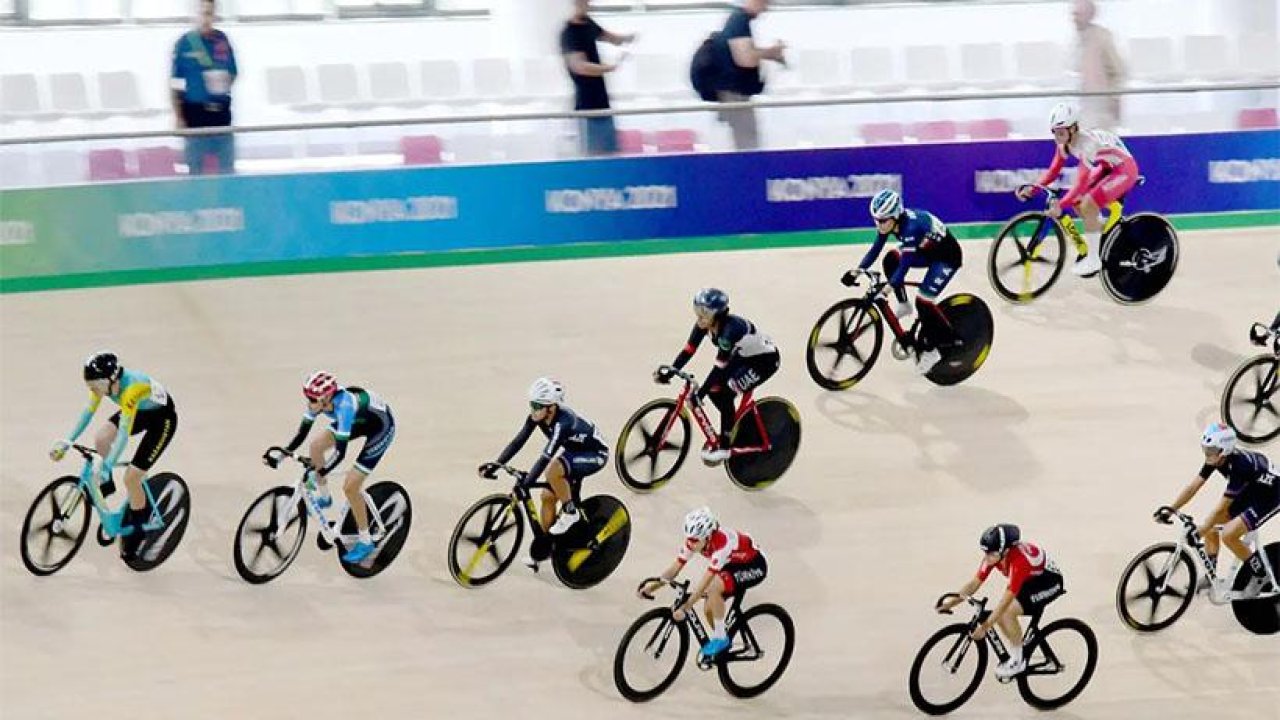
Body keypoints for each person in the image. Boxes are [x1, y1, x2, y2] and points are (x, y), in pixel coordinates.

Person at [49, 352, 178, 561]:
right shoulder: (105, 383)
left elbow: (124, 434)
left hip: (162, 420)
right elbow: (87, 413)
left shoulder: (132, 388)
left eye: (94, 385)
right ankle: (107, 486)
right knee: (101, 439)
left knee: (132, 477)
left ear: (109, 380)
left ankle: (138, 530)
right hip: (140, 411)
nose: (92, 390)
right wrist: (67, 441)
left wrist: (108, 465)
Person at [264, 371, 396, 564]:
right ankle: (325, 498)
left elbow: (340, 454)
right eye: (306, 397)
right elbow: (301, 435)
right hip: (358, 422)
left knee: (350, 486)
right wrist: (280, 457)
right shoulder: (319, 403)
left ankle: (366, 540)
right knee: (315, 447)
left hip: (380, 429)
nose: (308, 403)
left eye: (312, 399)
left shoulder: (344, 408)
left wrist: (320, 471)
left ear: (325, 398)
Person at [479, 378, 609, 568]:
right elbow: (518, 442)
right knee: (547, 497)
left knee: (553, 471)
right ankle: (545, 550)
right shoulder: (538, 416)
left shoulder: (563, 422)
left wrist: (527, 482)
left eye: (537, 405)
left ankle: (571, 512)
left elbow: (546, 458)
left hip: (594, 454)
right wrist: (497, 464)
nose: (533, 409)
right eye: (531, 404)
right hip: (575, 452)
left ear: (551, 407)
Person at [843, 189, 964, 375]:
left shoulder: (911, 228)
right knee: (890, 259)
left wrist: (887, 290)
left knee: (923, 301)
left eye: (882, 220)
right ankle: (904, 304)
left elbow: (904, 267)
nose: (879, 224)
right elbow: (876, 249)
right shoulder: (891, 223)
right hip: (925, 251)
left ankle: (934, 351)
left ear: (895, 217)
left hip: (946, 258)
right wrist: (857, 270)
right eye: (875, 219)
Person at [1155, 423, 1279, 604]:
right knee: (1211, 526)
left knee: (1229, 534)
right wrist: (1172, 508)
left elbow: (1222, 507)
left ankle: (1260, 575)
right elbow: (1193, 487)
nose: (1207, 454)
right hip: (1253, 489)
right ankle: (1210, 574)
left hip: (1271, 495)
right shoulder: (1216, 458)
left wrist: (1201, 531)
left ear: (1224, 451)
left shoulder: (1240, 467)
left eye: (1211, 450)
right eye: (1205, 448)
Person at [1017, 101, 1139, 277]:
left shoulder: (1087, 144)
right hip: (1107, 165)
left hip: (1124, 169)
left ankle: (1094, 260)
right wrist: (1033, 189)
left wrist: (1061, 204)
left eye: (1060, 132)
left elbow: (1081, 183)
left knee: (1088, 202)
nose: (1057, 137)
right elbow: (1053, 171)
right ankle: (1099, 227)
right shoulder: (1064, 143)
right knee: (1078, 201)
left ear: (1073, 129)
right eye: (1054, 132)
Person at [657, 288, 779, 465]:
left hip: (763, 362)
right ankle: (731, 427)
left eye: (704, 313)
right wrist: (672, 369)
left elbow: (719, 368)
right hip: (742, 357)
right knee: (715, 390)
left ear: (717, 315)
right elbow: (689, 350)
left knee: (725, 392)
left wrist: (701, 394)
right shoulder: (705, 324)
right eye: (697, 311)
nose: (699, 318)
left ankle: (725, 448)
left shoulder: (730, 330)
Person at [937, 524, 1065, 680]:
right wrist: (950, 603)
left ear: (1005, 551)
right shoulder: (994, 556)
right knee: (1000, 616)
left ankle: (1018, 661)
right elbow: (974, 584)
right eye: (985, 552)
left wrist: (985, 627)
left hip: (1048, 583)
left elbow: (1006, 600)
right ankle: (1018, 648)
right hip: (1029, 580)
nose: (987, 557)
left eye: (991, 553)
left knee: (1006, 613)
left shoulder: (1019, 562)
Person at [639, 507, 767, 660]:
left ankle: (720, 638)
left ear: (708, 537)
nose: (690, 544)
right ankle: (724, 641)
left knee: (713, 588)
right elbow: (675, 569)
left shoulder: (722, 546)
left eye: (695, 540)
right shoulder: (695, 540)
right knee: (708, 609)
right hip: (732, 563)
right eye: (688, 538)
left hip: (754, 565)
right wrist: (652, 587)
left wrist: (686, 607)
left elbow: (704, 582)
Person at [170, 0, 238, 175]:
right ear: (195, 15)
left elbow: (233, 72)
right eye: (202, 13)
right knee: (195, 169)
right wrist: (178, 117)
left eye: (209, 13)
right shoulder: (184, 43)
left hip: (221, 112)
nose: (205, 19)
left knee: (226, 169)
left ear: (214, 15)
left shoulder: (221, 41)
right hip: (195, 113)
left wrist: (222, 82)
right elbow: (175, 84)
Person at [560, 0, 635, 157]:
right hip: (586, 106)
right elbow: (580, 66)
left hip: (602, 103)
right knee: (593, 154)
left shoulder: (588, 24)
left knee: (611, 153)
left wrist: (628, 38)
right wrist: (609, 68)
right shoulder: (569, 33)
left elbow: (611, 37)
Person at [713, 0, 786, 150]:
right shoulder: (738, 20)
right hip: (735, 94)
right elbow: (745, 59)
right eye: (765, 3)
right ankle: (748, 171)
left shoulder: (738, 21)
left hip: (735, 93)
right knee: (747, 142)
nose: (766, 9)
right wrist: (771, 53)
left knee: (746, 138)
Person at [1071, 0, 1126, 130]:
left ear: (1090, 15)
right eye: (1074, 14)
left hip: (1100, 107)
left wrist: (1114, 98)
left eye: (1078, 14)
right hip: (1083, 105)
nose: (1074, 18)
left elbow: (1118, 70)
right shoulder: (1076, 40)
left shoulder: (1102, 37)